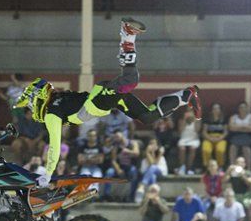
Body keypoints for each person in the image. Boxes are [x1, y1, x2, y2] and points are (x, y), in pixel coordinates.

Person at [16, 18, 200, 186]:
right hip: (103, 100)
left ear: (38, 97)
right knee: (147, 116)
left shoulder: (51, 114)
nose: (32, 110)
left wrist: (47, 174)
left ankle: (127, 36)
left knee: (130, 80)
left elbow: (55, 146)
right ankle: (186, 96)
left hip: (98, 101)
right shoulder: (59, 98)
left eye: (31, 104)